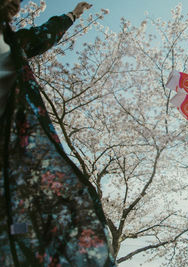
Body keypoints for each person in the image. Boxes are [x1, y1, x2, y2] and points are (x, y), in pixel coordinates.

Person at [0, 1, 115, 265]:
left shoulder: (13, 43)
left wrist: (72, 15)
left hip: (17, 144)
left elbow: (45, 34)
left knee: (25, 217)